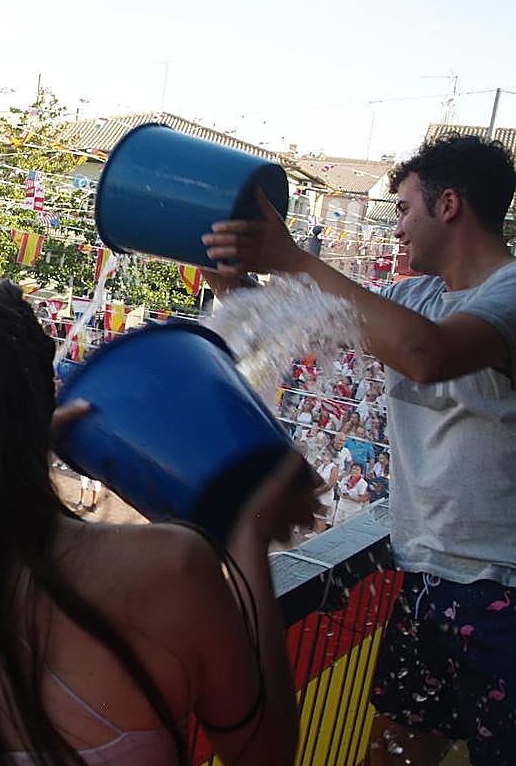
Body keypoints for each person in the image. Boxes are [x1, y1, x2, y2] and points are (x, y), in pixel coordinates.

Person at [0, 277, 315, 765]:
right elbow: (267, 755)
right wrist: (249, 530)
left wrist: (5, 450)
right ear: (44, 398)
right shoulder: (173, 569)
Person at [201, 134, 516, 765]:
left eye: (403, 209)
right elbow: (305, 336)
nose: (396, 229)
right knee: (393, 755)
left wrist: (292, 256)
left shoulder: (508, 295)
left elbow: (430, 356)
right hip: (426, 575)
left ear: (448, 205)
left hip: (501, 589)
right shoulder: (412, 300)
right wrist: (236, 286)